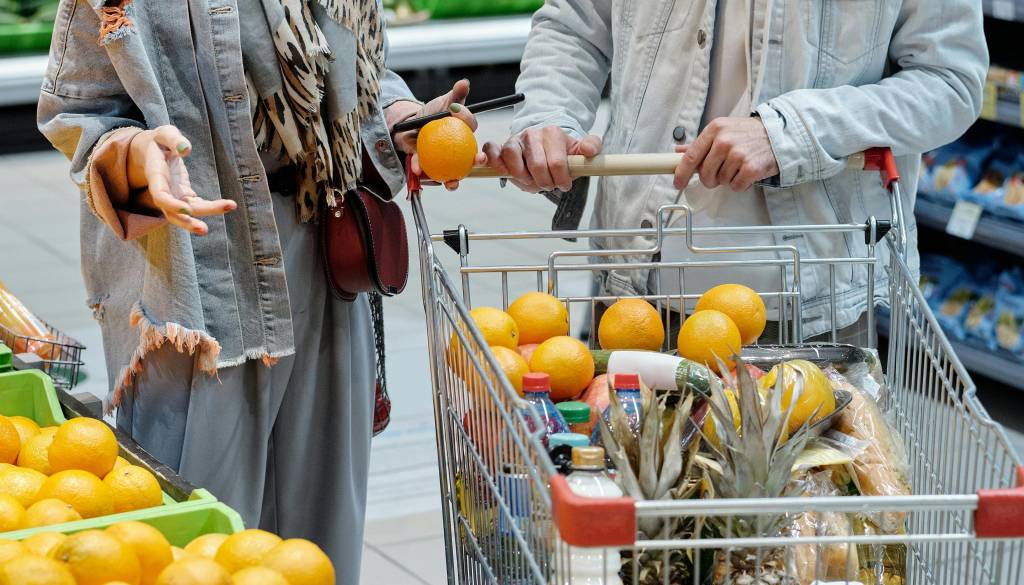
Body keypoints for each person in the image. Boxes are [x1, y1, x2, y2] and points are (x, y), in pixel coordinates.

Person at [37, 1, 476, 582]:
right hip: (196, 265)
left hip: (322, 241)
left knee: (322, 532)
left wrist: (398, 117)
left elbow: (354, 74)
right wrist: (137, 157)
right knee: (203, 533)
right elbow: (79, 111)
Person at [486, 0, 987, 344]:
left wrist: (792, 131)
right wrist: (548, 115)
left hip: (807, 305)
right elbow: (575, 24)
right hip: (633, 285)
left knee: (806, 497)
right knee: (623, 487)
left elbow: (950, 82)